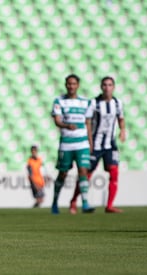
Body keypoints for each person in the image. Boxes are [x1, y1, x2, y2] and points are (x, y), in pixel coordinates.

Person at [69, 76, 126, 214]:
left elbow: (121, 118)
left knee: (114, 172)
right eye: (105, 85)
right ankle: (74, 201)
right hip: (95, 144)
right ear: (101, 87)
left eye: (110, 85)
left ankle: (109, 205)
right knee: (86, 174)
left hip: (110, 144)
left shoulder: (118, 103)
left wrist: (122, 130)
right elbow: (87, 122)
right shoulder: (94, 103)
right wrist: (89, 142)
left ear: (114, 87)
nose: (107, 87)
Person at [51, 74, 95, 214]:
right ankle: (55, 202)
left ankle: (85, 203)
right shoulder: (59, 101)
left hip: (82, 143)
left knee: (83, 171)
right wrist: (66, 125)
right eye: (69, 84)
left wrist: (90, 142)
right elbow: (57, 120)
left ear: (78, 85)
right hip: (67, 143)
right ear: (66, 85)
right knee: (63, 173)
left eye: (74, 84)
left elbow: (88, 124)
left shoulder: (85, 102)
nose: (71, 86)